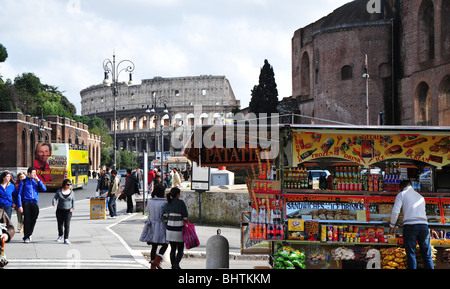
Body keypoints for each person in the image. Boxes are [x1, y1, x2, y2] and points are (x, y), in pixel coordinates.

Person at [390, 180, 434, 269]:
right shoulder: (421, 197)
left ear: (401, 187)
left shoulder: (402, 194)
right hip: (424, 226)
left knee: (411, 254)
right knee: (427, 255)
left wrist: (392, 225)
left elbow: (395, 212)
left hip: (410, 226)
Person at [139, 184, 168, 269]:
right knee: (165, 243)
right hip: (161, 225)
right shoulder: (165, 202)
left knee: (154, 246)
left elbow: (147, 210)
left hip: (152, 224)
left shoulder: (151, 201)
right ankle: (158, 259)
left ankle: (152, 265)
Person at [17, 167, 47, 243]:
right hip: (26, 202)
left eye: (35, 173)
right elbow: (19, 194)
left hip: (34, 202)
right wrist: (19, 205)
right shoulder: (23, 182)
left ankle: (29, 233)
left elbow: (44, 189)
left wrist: (39, 181)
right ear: (29, 173)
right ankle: (26, 237)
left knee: (34, 218)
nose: (35, 174)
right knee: (27, 219)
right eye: (33, 173)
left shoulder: (36, 181)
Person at [162, 187, 189, 269]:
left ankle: (173, 265)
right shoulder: (181, 203)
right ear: (178, 194)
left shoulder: (167, 204)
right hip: (179, 230)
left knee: (173, 249)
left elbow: (164, 218)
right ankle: (176, 264)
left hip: (170, 230)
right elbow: (185, 217)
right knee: (180, 250)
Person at [52, 179, 75, 244]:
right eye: (68, 184)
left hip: (68, 211)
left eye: (70, 184)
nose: (69, 186)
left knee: (67, 224)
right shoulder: (59, 191)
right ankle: (60, 235)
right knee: (60, 224)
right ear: (64, 185)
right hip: (60, 210)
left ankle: (66, 238)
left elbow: (73, 201)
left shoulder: (72, 192)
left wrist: (72, 208)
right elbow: (54, 198)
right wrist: (54, 202)